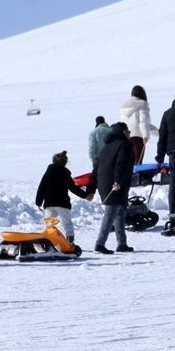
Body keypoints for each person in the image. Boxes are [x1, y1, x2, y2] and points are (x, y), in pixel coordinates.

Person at [89, 123, 135, 254]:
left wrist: (92, 187)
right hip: (114, 183)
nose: (130, 133)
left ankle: (122, 243)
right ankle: (100, 243)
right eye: (128, 131)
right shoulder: (124, 145)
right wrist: (117, 180)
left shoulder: (106, 147)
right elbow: (121, 164)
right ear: (124, 132)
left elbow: (96, 168)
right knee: (110, 213)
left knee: (119, 210)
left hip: (105, 182)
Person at [35, 151, 90, 243]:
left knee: (49, 224)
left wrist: (38, 202)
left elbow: (41, 187)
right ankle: (70, 242)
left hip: (49, 203)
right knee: (67, 223)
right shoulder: (65, 174)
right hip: (62, 203)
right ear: (65, 163)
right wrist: (85, 195)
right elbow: (73, 188)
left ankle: (48, 242)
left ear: (53, 161)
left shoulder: (48, 173)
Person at [119, 85, 158, 165]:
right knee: (137, 162)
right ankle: (138, 177)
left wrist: (157, 132)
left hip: (125, 137)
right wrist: (145, 135)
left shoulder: (124, 107)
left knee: (127, 163)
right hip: (137, 137)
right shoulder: (142, 105)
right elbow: (143, 122)